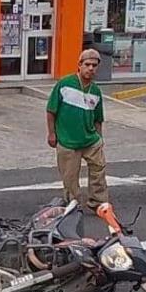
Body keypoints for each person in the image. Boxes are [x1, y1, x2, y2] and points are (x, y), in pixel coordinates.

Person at [46, 49, 109, 211]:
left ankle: (98, 201)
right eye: (87, 64)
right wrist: (52, 133)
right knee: (70, 176)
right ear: (79, 65)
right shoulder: (64, 84)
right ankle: (73, 203)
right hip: (67, 140)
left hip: (90, 139)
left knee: (98, 170)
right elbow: (51, 110)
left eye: (94, 65)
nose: (91, 68)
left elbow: (98, 119)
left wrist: (100, 139)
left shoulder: (95, 91)